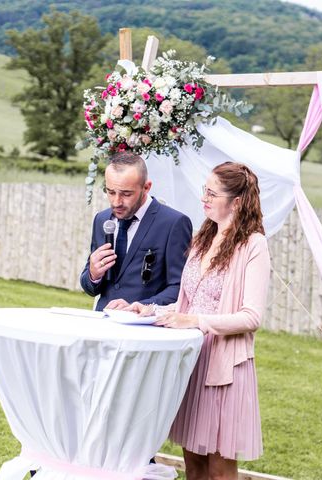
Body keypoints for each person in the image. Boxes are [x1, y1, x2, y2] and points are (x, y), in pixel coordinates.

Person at [128, 161, 271, 480]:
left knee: (219, 471)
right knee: (194, 467)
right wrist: (148, 310)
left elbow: (251, 316)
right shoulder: (201, 239)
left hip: (225, 372)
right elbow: (183, 306)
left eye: (211, 192)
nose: (203, 197)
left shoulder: (254, 246)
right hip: (192, 362)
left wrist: (194, 321)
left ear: (236, 202)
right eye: (203, 190)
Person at [80, 151, 193, 311]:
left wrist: (140, 306)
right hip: (103, 324)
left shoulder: (173, 223)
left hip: (146, 328)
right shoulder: (102, 220)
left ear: (146, 187)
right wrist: (93, 275)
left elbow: (179, 288)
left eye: (126, 194)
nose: (116, 202)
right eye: (110, 192)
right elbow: (91, 288)